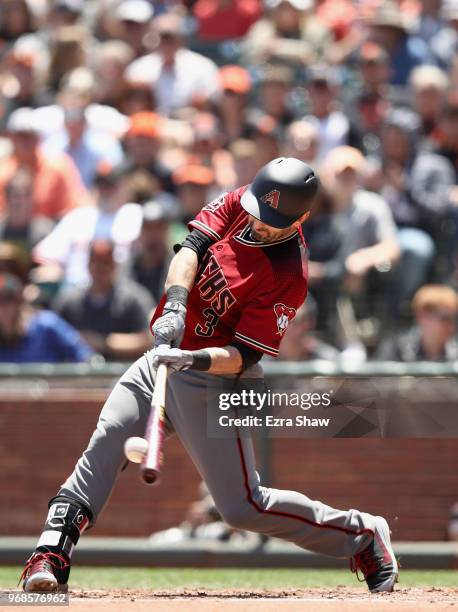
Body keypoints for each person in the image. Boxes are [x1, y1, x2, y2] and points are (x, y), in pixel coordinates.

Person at [19, 158, 398, 595]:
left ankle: (362, 536)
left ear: (302, 218)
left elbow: (245, 355)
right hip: (163, 356)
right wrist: (176, 303)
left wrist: (193, 361)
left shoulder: (288, 274)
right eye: (259, 213)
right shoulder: (240, 201)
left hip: (216, 381)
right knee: (105, 444)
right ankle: (49, 555)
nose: (260, 225)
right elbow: (190, 249)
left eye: (273, 223)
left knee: (242, 507)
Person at [33, 163, 143, 288]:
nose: (105, 191)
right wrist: (52, 268)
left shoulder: (135, 215)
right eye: (101, 185)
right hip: (77, 292)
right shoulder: (78, 217)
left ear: (125, 187)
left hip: (121, 292)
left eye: (110, 186)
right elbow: (49, 256)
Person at [53, 240, 154, 360]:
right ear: (88, 264)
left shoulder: (133, 298)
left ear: (114, 265)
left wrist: (104, 343)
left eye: (105, 263)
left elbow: (147, 340)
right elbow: (53, 338)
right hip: (77, 373)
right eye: (95, 262)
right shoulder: (70, 302)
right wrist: (76, 339)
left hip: (122, 373)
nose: (100, 269)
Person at [0, 107, 87, 220]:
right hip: (8, 234)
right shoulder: (3, 169)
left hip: (52, 231)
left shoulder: (58, 166)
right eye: (20, 135)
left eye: (30, 136)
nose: (25, 141)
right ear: (11, 136)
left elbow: (74, 206)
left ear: (38, 137)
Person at [125, 13, 220, 115]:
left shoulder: (202, 66)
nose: (166, 43)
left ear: (181, 39)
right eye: (161, 38)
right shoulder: (139, 68)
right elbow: (131, 106)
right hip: (152, 123)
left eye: (170, 38)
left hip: (190, 121)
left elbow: (211, 103)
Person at [0, 273, 92, 363]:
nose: (2, 306)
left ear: (19, 301)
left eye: (7, 299)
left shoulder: (46, 324)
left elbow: (85, 356)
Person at [376, 284, 458, 361]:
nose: (451, 325)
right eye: (445, 318)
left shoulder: (455, 352)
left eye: (454, 319)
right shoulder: (396, 349)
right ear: (422, 316)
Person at [121, 199, 173, 304]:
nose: (152, 235)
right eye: (147, 228)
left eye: (158, 228)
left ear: (166, 230)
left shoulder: (176, 266)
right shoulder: (127, 268)